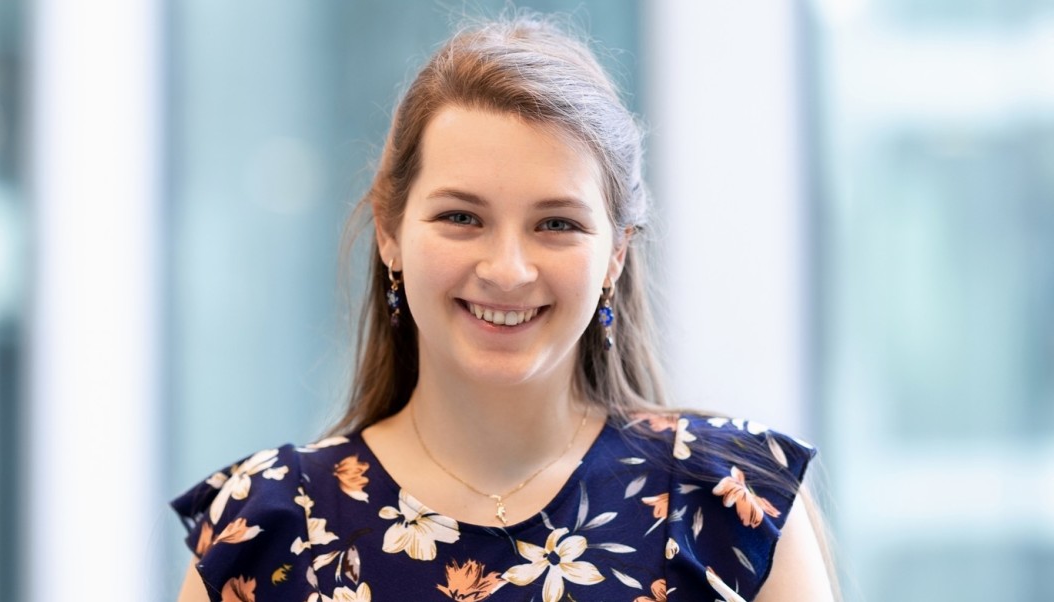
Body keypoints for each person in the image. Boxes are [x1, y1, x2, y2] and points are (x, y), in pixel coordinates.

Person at [173, 15, 836, 602]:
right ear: (389, 232)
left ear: (615, 255)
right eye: (462, 217)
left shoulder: (734, 507)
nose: (507, 270)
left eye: (556, 224)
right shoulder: (263, 528)